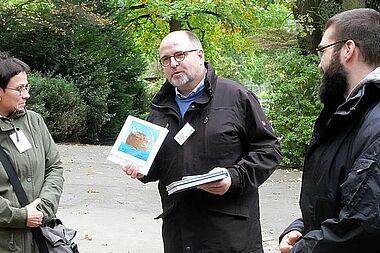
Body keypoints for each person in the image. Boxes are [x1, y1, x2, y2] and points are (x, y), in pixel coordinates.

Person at [122, 30, 282, 253]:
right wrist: (141, 169)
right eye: (166, 60)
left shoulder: (236, 96)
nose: (173, 64)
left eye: (179, 55)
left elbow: (269, 150)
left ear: (200, 55)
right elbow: (159, 165)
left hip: (230, 236)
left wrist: (233, 177)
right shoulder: (160, 107)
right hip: (179, 233)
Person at [279, 8, 380, 253]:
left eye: (322, 51)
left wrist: (303, 248)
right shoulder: (349, 114)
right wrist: (300, 227)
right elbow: (340, 197)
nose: (320, 64)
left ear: (348, 50)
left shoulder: (373, 120)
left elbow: (366, 224)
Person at [0, 55, 64, 252]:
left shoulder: (35, 122)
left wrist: (43, 208)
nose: (26, 94)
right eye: (19, 89)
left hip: (40, 238)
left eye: (27, 87)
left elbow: (54, 167)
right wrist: (20, 216)